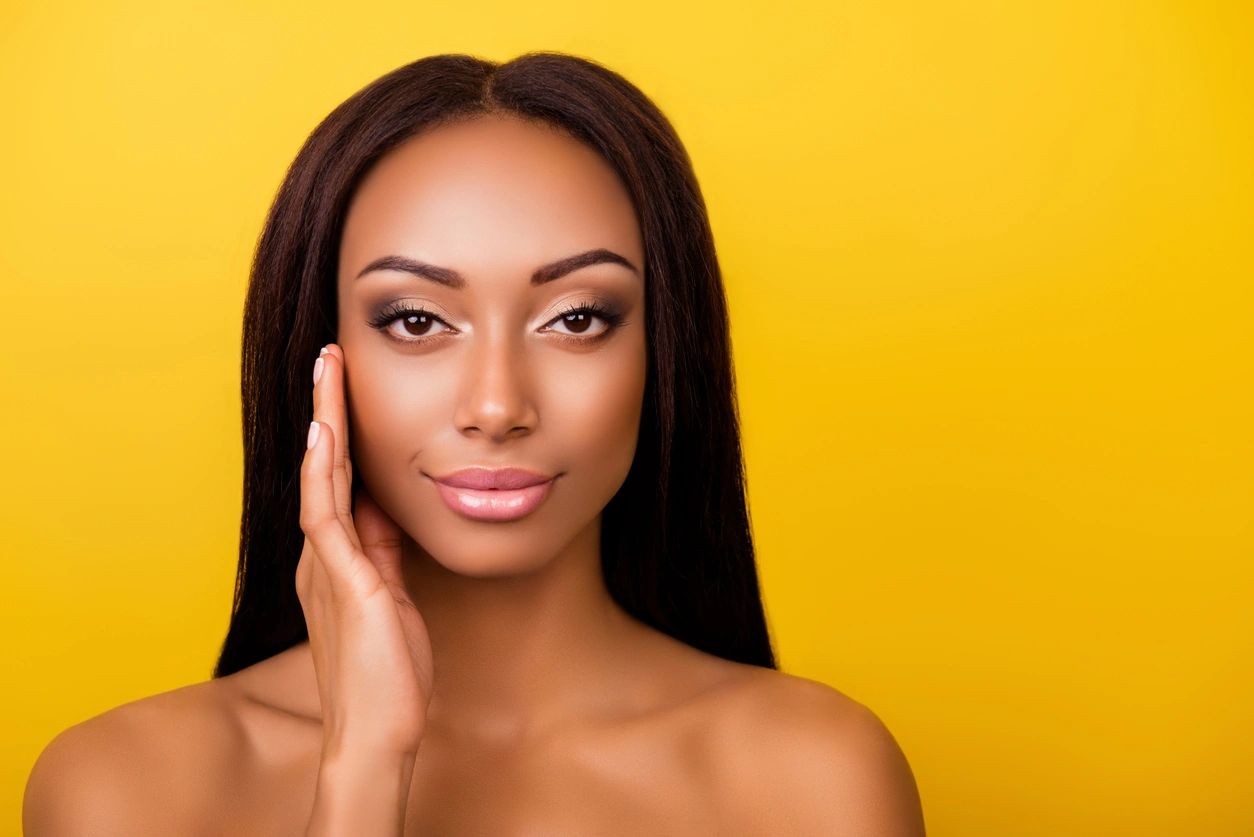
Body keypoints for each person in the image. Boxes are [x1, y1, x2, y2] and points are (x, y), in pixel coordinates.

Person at [23, 51, 926, 835]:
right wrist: (363, 769)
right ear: (318, 352)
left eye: (577, 318)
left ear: (663, 352)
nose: (496, 405)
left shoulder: (817, 778)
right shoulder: (121, 787)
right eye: (416, 319)